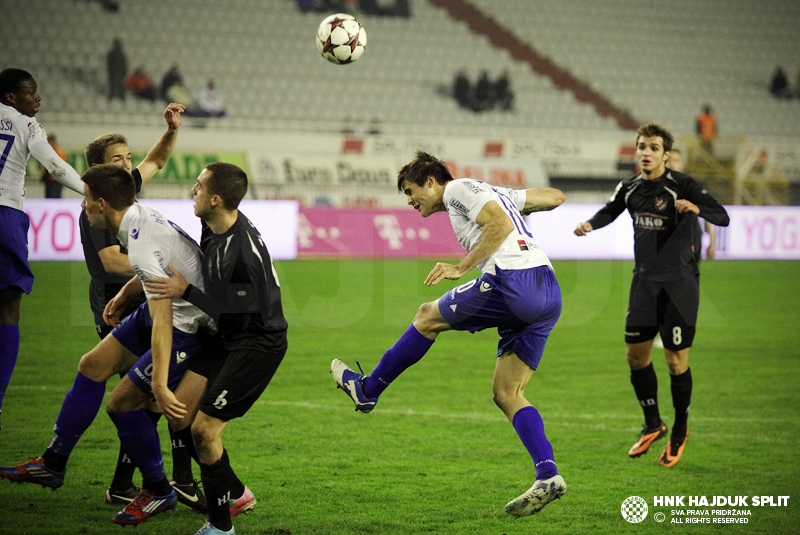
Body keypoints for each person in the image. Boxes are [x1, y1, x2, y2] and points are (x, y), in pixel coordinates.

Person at [330, 151, 568, 517]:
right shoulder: (492, 192)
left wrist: (461, 267)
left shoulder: (456, 188)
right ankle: (547, 475)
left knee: (426, 316)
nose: (410, 201)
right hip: (548, 290)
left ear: (430, 182)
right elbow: (555, 197)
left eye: (411, 191)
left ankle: (368, 390)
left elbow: (500, 225)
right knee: (507, 393)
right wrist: (513, 200)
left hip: (513, 282)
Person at [0, 164, 213, 526]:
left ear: (101, 204)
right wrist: (128, 293)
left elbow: (163, 322)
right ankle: (53, 463)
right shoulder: (138, 218)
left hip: (187, 323)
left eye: (85, 199)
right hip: (160, 306)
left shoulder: (141, 240)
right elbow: (156, 273)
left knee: (121, 404)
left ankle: (159, 489)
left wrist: (159, 383)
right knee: (92, 365)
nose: (82, 207)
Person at [143, 162, 288, 535]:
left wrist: (185, 292)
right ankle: (235, 494)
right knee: (178, 415)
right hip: (225, 336)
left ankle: (221, 526)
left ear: (216, 198)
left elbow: (238, 319)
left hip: (256, 343)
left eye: (199, 186)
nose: (193, 190)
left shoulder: (242, 255)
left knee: (204, 431)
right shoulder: (212, 227)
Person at [573, 123, 730, 468]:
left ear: (665, 154)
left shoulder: (682, 185)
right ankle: (652, 423)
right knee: (635, 357)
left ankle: (680, 431)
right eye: (642, 146)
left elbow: (723, 215)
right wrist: (590, 225)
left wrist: (696, 209)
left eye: (654, 147)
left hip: (680, 284)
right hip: (643, 282)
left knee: (676, 362)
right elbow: (610, 210)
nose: (646, 152)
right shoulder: (629, 187)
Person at [80, 104, 207, 511]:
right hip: (121, 305)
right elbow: (111, 262)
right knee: (141, 398)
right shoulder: (95, 211)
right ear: (99, 172)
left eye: (128, 157)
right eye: (117, 160)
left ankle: (141, 482)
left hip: (145, 300)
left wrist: (171, 129)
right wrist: (145, 274)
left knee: (147, 400)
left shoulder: (126, 192)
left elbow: (158, 159)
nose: (128, 165)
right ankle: (168, 482)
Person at [0, 68, 85, 433]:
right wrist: (92, 191)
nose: (38, 99)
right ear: (11, 98)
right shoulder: (26, 125)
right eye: (31, 93)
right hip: (6, 215)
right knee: (8, 307)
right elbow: (54, 165)